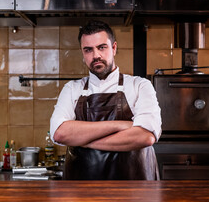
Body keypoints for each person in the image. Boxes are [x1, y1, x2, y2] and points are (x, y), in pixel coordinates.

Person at [50, 20, 162, 180]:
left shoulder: (140, 85)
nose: (96, 55)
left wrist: (82, 141)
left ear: (114, 48)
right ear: (83, 53)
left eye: (102, 47)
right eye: (88, 50)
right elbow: (60, 133)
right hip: (82, 193)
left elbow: (145, 136)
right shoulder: (72, 89)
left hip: (135, 192)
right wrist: (120, 125)